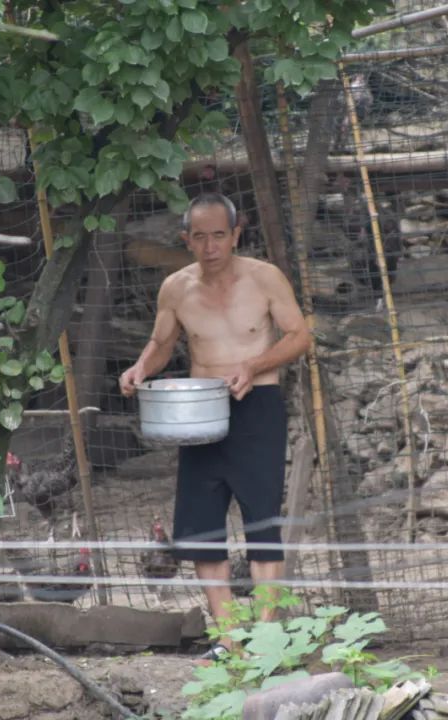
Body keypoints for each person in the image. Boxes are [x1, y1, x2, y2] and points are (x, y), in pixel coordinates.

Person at [119, 192, 311, 661]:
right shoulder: (176, 288)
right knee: (202, 527)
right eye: (199, 237)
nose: (210, 247)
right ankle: (228, 637)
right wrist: (141, 368)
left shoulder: (264, 278)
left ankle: (264, 636)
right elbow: (162, 342)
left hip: (256, 403)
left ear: (236, 233)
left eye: (218, 236)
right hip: (200, 412)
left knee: (262, 521)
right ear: (186, 239)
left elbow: (301, 335)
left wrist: (254, 364)